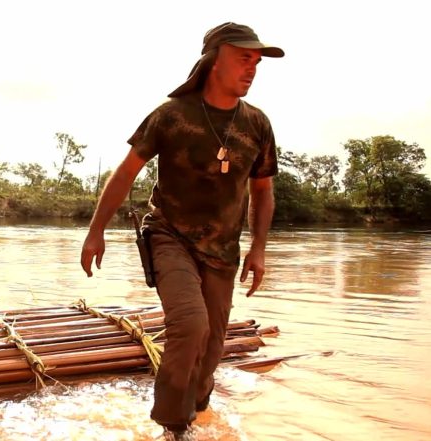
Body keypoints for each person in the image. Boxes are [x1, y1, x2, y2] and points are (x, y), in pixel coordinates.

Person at [80, 22, 282, 437]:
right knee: (191, 324)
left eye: (257, 62)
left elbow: (263, 192)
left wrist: (259, 249)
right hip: (169, 235)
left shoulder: (257, 125)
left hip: (223, 250)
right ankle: (172, 426)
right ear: (214, 60)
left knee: (210, 349)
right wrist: (95, 230)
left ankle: (195, 408)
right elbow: (125, 174)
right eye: (244, 58)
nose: (252, 68)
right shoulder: (171, 116)